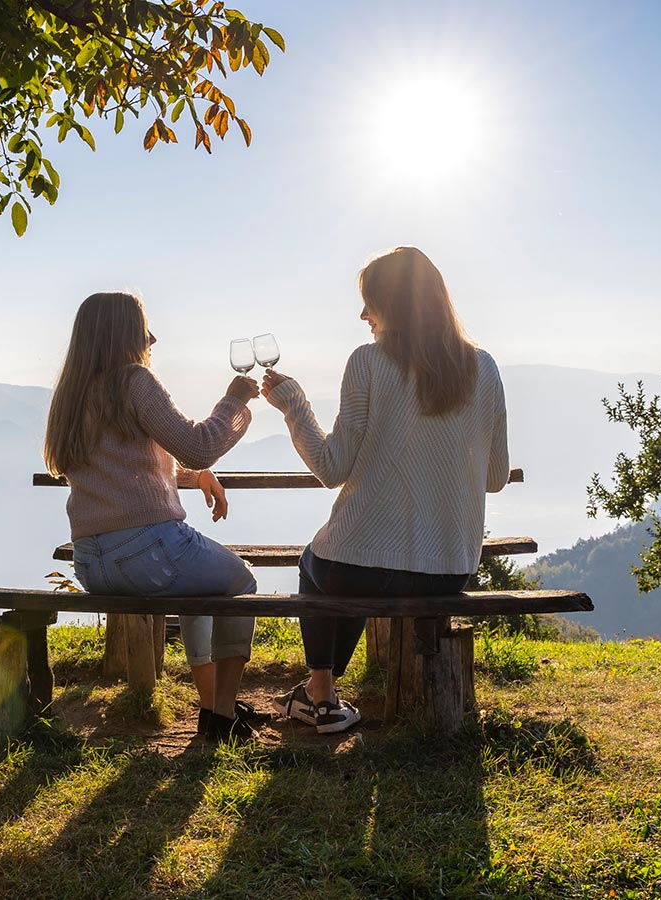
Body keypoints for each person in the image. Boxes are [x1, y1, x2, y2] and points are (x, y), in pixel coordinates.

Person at [260, 247, 510, 734]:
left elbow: (331, 469)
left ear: (392, 306)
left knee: (321, 563)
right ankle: (321, 694)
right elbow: (495, 477)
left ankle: (321, 694)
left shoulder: (368, 362)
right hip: (449, 571)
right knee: (347, 557)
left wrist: (293, 404)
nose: (363, 315)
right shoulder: (486, 369)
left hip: (361, 573)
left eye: (369, 302)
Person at [43, 291, 264, 742]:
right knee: (240, 581)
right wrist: (235, 400)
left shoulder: (72, 395)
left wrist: (193, 476)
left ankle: (211, 705)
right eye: (144, 329)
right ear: (125, 334)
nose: (152, 338)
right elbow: (200, 443)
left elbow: (123, 470)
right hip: (150, 554)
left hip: (91, 565)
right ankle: (222, 716)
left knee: (202, 588)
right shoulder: (135, 381)